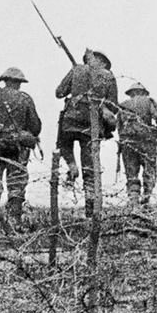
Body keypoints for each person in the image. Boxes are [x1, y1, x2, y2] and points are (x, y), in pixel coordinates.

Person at [0, 68, 41, 225]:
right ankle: (13, 219)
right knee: (17, 181)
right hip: (16, 148)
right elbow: (36, 127)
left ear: (5, 80)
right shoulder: (25, 99)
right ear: (19, 83)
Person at [55, 49, 118, 217]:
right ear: (103, 62)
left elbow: (59, 92)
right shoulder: (108, 75)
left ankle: (72, 166)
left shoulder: (77, 69)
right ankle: (91, 211)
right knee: (90, 168)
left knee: (64, 146)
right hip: (92, 124)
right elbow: (113, 106)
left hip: (70, 119)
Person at [117, 82, 157, 208]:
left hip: (128, 143)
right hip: (146, 141)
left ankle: (134, 203)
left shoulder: (123, 105)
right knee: (149, 171)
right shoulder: (149, 101)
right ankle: (146, 199)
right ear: (143, 92)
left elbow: (118, 126)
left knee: (132, 174)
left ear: (131, 93)